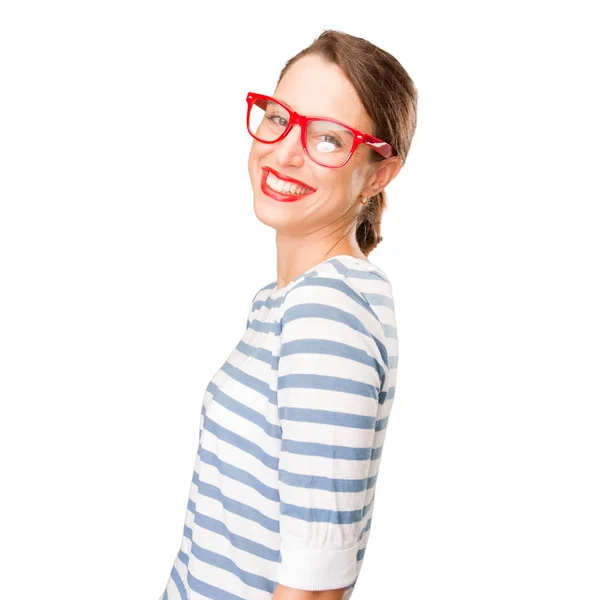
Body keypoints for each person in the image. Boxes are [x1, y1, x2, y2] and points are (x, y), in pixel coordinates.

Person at [159, 29, 418, 600]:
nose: (284, 151)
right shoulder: (285, 302)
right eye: (279, 118)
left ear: (379, 173)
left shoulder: (327, 310)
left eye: (328, 138)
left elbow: (316, 587)